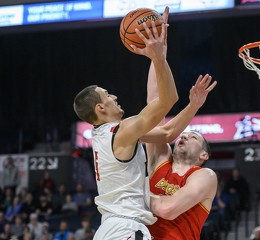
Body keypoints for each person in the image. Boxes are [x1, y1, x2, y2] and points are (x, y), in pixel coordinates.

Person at [73, 7, 178, 240]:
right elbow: (167, 100)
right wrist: (157, 56)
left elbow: (167, 127)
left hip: (113, 228)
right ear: (100, 108)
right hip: (124, 229)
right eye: (107, 95)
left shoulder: (103, 134)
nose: (114, 97)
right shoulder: (120, 132)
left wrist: (160, 54)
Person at [143, 44, 217, 238]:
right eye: (184, 134)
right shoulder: (161, 159)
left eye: (193, 137)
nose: (184, 135)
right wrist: (157, 56)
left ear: (204, 154)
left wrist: (130, 194)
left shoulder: (205, 176)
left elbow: (168, 209)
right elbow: (154, 102)